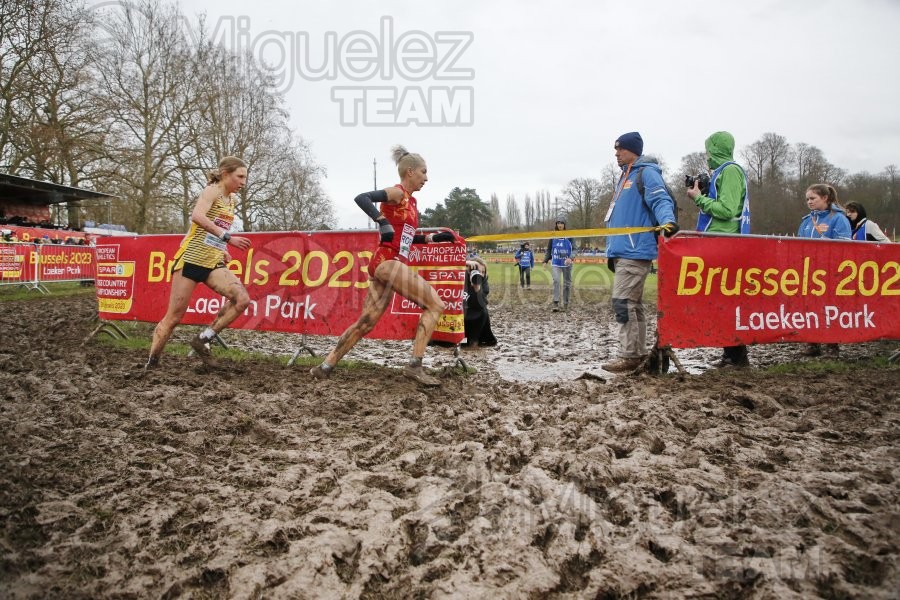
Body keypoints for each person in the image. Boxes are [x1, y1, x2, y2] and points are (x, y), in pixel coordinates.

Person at [309, 145, 456, 386]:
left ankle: (325, 366)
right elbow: (362, 198)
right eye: (424, 172)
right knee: (435, 304)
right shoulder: (397, 193)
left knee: (366, 323)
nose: (426, 178)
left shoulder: (412, 202)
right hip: (388, 262)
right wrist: (381, 221)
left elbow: (405, 237)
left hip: (385, 264)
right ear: (410, 172)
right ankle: (414, 366)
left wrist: (431, 238)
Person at [146, 156, 253, 370]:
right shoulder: (212, 190)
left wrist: (222, 250)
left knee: (242, 300)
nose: (243, 182)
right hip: (191, 261)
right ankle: (152, 363)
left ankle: (203, 339)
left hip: (212, 262)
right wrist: (227, 239)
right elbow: (197, 217)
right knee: (174, 317)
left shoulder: (231, 200)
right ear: (225, 174)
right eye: (240, 177)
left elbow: (213, 226)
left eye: (245, 178)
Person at [601, 132, 678, 373]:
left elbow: (660, 200)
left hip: (635, 251)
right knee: (633, 304)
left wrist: (668, 222)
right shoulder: (625, 175)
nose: (616, 153)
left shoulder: (647, 173)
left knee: (622, 303)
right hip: (623, 251)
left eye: (620, 149)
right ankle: (637, 352)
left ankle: (630, 354)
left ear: (633, 150)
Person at [687, 130, 752, 368]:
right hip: (717, 241)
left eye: (708, 151)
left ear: (716, 149)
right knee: (719, 301)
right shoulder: (722, 173)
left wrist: (698, 198)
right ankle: (730, 353)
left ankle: (738, 356)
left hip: (726, 243)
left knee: (726, 301)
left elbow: (727, 210)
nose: (707, 156)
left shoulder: (731, 171)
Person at [797, 183, 852, 357]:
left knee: (830, 308)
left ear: (825, 198)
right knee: (809, 307)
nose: (809, 202)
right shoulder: (806, 221)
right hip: (809, 272)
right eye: (807, 199)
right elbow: (798, 245)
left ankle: (832, 345)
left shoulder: (838, 218)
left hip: (830, 272)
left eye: (813, 198)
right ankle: (812, 343)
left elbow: (844, 246)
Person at [462, 257, 497, 348]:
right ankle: (462, 340)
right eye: (477, 271)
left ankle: (474, 339)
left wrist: (477, 288)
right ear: (469, 270)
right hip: (460, 317)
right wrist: (464, 263)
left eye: (483, 272)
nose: (480, 274)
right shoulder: (461, 276)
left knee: (484, 311)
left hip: (474, 318)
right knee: (461, 342)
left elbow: (481, 304)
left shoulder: (483, 283)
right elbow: (449, 267)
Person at [543, 220, 575, 311]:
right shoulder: (553, 236)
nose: (560, 225)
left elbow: (575, 249)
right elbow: (549, 250)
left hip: (567, 263)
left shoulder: (570, 236)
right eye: (558, 223)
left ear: (564, 224)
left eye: (561, 223)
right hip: (556, 263)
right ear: (556, 225)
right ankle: (556, 303)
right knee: (556, 281)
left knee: (567, 284)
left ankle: (565, 304)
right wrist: (545, 260)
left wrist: (571, 258)